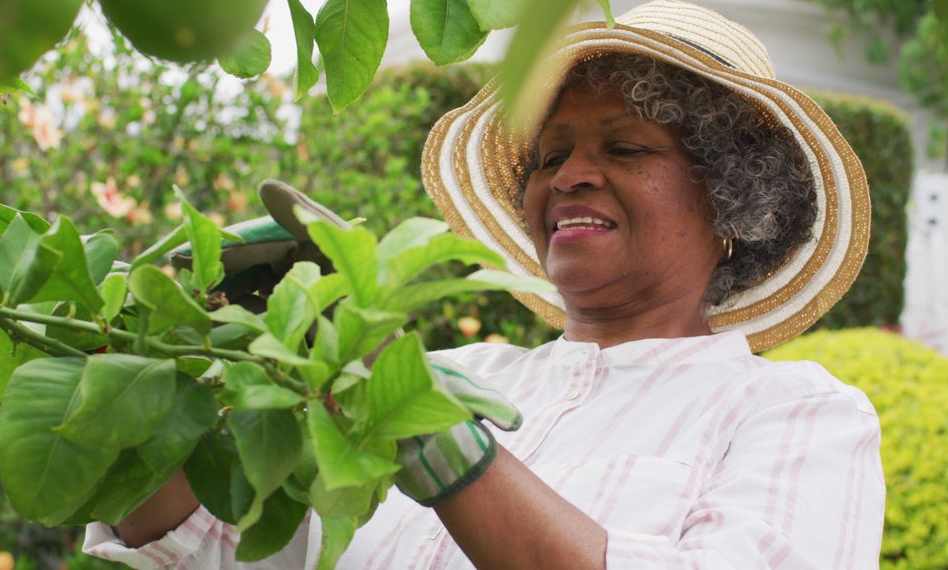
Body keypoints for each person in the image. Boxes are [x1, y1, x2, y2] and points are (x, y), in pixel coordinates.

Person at [84, 1, 885, 567]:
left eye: (626, 149)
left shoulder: (798, 416)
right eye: (548, 155)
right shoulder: (474, 377)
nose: (569, 175)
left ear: (732, 202)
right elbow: (213, 552)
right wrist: (164, 367)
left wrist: (443, 442)